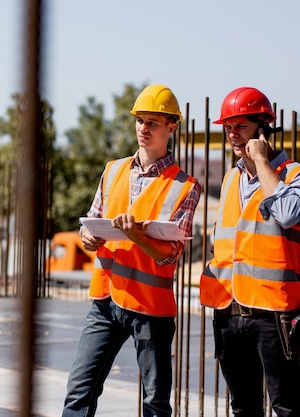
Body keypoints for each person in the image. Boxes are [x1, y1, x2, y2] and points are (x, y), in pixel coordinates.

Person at [62, 84, 201, 417]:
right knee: (79, 391)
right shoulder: (113, 170)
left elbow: (170, 254)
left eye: (153, 121)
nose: (144, 128)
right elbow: (90, 223)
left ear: (172, 126)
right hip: (106, 301)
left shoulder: (185, 186)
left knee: (154, 403)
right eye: (140, 120)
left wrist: (136, 236)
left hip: (150, 309)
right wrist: (88, 238)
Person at [200, 87, 300, 417]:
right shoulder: (229, 180)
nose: (233, 135)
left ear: (263, 128)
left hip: (274, 313)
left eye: (241, 126)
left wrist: (262, 161)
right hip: (229, 311)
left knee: (287, 407)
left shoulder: (299, 176)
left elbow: (288, 213)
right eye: (228, 128)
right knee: (243, 408)